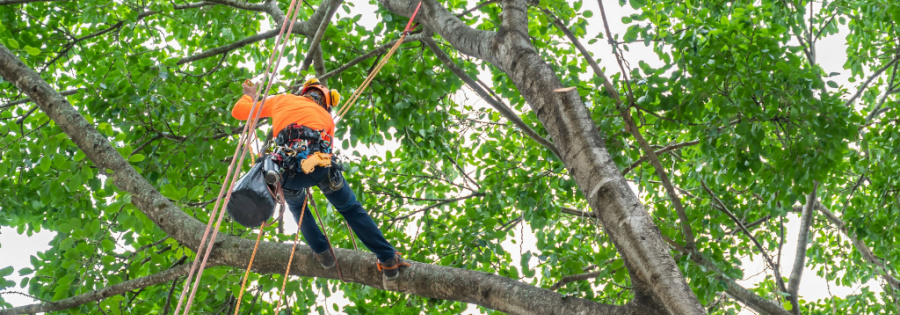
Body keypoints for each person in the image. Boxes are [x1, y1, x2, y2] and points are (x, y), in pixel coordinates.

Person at [231, 78, 407, 279]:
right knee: (350, 209)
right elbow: (327, 147)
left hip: (285, 171)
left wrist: (251, 96)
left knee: (298, 207)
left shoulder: (282, 100)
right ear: (326, 102)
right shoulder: (326, 117)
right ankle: (388, 260)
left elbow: (238, 111)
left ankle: (323, 254)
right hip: (319, 164)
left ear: (304, 92)